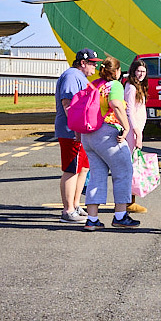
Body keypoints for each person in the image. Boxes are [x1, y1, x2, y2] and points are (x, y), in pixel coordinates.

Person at [81, 57, 140, 231]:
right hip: (106, 132)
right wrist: (127, 127)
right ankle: (120, 215)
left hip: (88, 134)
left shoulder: (94, 84)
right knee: (123, 171)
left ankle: (92, 219)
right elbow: (115, 104)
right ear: (116, 72)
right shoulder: (115, 85)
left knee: (97, 175)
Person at [54, 48, 101, 223]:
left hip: (81, 132)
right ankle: (67, 211)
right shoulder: (72, 76)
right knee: (71, 169)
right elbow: (68, 105)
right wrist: (77, 131)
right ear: (83, 63)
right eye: (93, 64)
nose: (95, 67)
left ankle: (75, 204)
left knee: (82, 169)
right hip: (71, 132)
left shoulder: (79, 77)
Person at [124, 58, 150, 214]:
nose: (141, 74)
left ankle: (130, 200)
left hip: (138, 130)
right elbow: (129, 112)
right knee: (131, 167)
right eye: (139, 71)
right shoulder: (131, 88)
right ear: (133, 71)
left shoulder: (139, 86)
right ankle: (128, 201)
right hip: (133, 133)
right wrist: (137, 132)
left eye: (144, 71)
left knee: (134, 166)